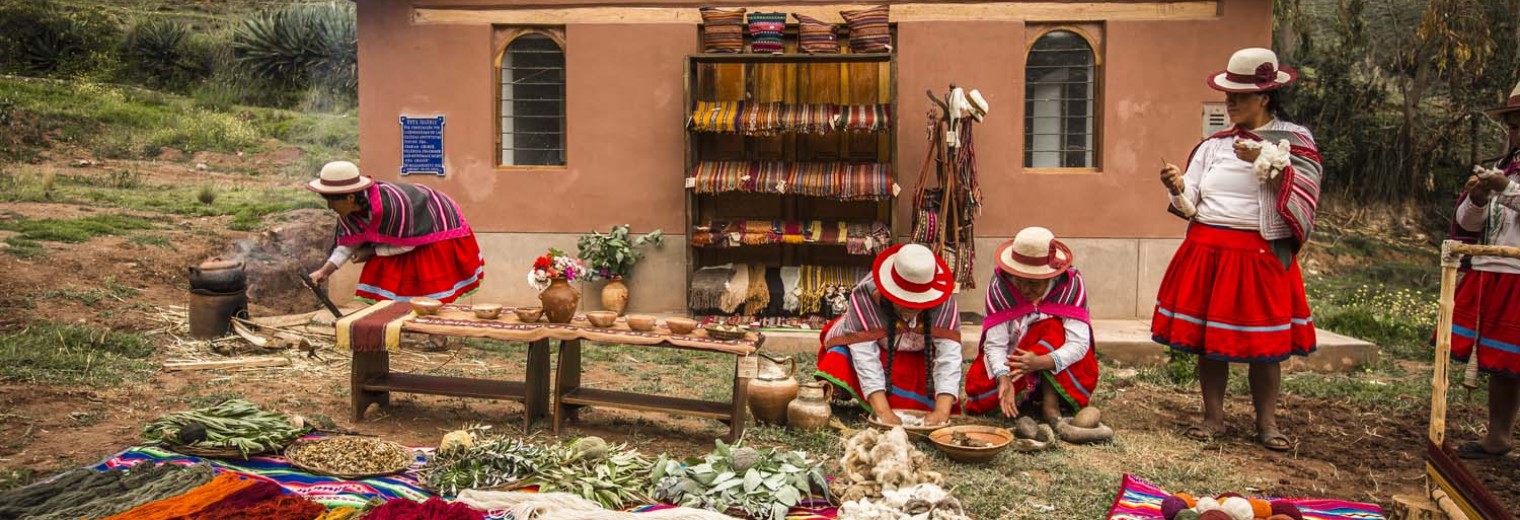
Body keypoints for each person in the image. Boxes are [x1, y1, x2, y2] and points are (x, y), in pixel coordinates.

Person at [1152, 48, 1323, 452]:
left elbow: (1306, 190)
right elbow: (1192, 201)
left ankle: (1267, 424)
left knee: (1263, 347)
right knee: (1211, 341)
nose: (1230, 103)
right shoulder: (1214, 146)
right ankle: (1213, 419)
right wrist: (1176, 186)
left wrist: (1264, 156)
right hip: (1208, 248)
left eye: (1239, 96)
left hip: (1259, 254)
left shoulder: (1294, 142)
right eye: (1228, 96)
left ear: (1264, 98)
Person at [1445, 79, 1520, 459]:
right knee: (1503, 361)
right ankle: (1498, 435)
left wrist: (1506, 188)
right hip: (1495, 271)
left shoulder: (1507, 178)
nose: (1515, 133)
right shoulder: (1504, 168)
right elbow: (1470, 225)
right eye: (1513, 124)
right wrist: (1476, 198)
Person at [814, 244, 963, 426]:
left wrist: (941, 411)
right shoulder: (865, 296)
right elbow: (865, 357)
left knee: (931, 393)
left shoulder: (944, 301)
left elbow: (949, 357)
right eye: (904, 301)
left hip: (919, 358)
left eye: (918, 302)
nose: (912, 308)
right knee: (838, 358)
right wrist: (883, 412)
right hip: (879, 350)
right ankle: (869, 399)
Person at [963, 227, 1098, 423]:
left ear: (1050, 276)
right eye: (1020, 281)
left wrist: (1039, 362)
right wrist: (1003, 377)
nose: (1025, 290)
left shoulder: (1070, 286)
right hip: (1014, 360)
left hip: (1052, 360)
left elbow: (1078, 343)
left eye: (1034, 283)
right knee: (980, 389)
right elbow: (995, 344)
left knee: (1052, 328)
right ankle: (1024, 397)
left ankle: (1050, 403)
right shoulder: (1000, 287)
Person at [305, 161, 485, 304]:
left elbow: (408, 245)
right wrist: (324, 272)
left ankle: (436, 334)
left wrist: (371, 252)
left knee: (428, 284)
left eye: (332, 202)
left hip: (435, 225)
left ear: (350, 197)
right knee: (388, 277)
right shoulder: (349, 212)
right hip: (404, 239)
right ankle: (398, 325)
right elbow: (348, 244)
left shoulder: (392, 206)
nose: (330, 207)